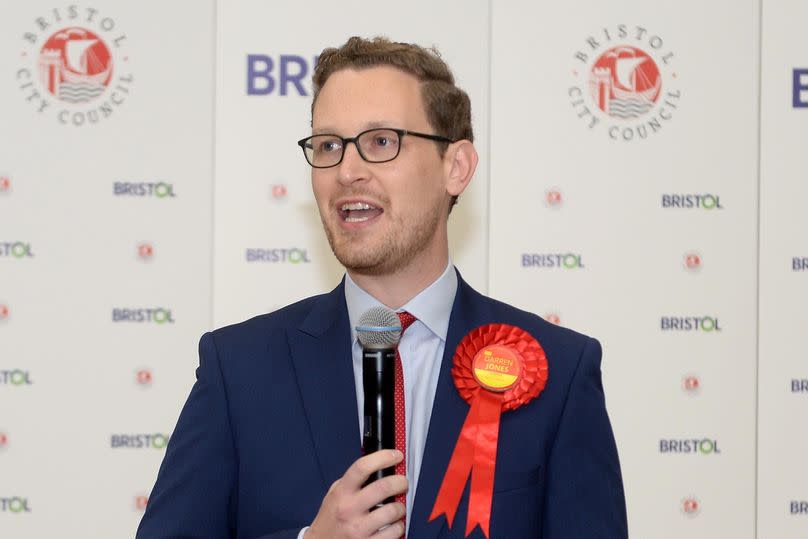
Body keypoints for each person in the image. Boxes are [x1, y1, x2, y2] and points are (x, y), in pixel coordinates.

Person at [136, 36, 627, 539]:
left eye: (381, 142)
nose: (347, 171)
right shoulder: (238, 368)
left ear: (455, 167)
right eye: (328, 146)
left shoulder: (558, 373)